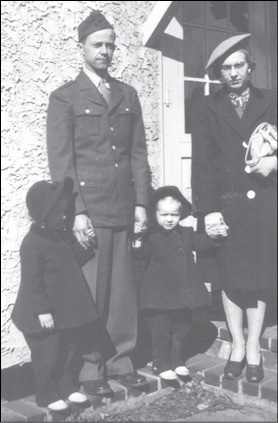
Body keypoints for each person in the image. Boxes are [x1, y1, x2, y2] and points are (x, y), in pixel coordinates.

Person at [46, 10, 150, 394]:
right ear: (82, 48)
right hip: (89, 209)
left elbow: (138, 154)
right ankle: (92, 369)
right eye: (97, 44)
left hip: (123, 205)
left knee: (122, 292)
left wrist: (142, 203)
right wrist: (77, 213)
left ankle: (121, 360)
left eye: (110, 44)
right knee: (93, 292)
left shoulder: (127, 94)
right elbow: (63, 163)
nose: (105, 51)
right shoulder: (65, 98)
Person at [191, 34, 277, 383]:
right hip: (227, 206)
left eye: (238, 64)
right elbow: (202, 163)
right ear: (218, 74)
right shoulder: (204, 107)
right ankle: (237, 345)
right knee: (229, 277)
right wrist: (208, 210)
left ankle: (254, 346)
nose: (233, 72)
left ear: (250, 65)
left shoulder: (272, 100)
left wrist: (274, 162)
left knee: (257, 278)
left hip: (265, 203)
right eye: (225, 68)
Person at [11, 177, 99, 410]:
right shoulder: (32, 244)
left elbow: (71, 264)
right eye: (57, 212)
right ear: (40, 216)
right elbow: (32, 282)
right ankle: (47, 395)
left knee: (68, 351)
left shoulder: (61, 236)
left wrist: (86, 246)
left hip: (64, 313)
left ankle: (67, 387)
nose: (63, 216)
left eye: (64, 210)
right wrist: (42, 311)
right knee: (47, 357)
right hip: (40, 315)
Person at [132, 186, 226, 381]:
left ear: (181, 214)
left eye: (174, 214)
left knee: (182, 329)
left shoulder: (186, 233)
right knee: (161, 330)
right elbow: (140, 255)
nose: (169, 219)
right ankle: (161, 362)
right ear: (154, 214)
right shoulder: (150, 234)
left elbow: (203, 245)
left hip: (183, 294)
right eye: (164, 214)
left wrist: (214, 237)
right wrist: (137, 240)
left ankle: (177, 360)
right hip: (158, 296)